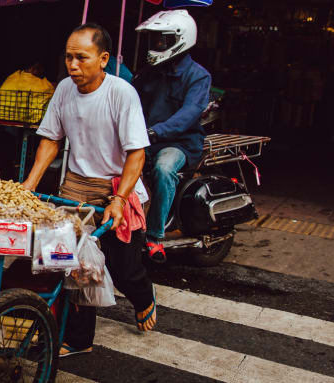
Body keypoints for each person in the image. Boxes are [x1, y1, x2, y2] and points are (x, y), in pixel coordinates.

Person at [21, 23, 156, 357]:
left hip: (117, 188)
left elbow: (136, 153)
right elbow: (51, 140)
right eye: (68, 57)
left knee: (124, 270)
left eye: (81, 57)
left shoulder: (122, 93)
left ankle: (143, 297)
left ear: (104, 59)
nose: (73, 65)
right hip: (75, 188)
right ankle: (79, 340)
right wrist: (29, 185)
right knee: (70, 265)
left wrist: (120, 199)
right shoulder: (64, 89)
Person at [132, 10, 211, 261]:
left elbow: (189, 114)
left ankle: (155, 238)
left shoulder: (198, 76)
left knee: (164, 170)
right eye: (154, 40)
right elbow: (130, 100)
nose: (155, 46)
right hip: (147, 138)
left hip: (180, 143)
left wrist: (157, 131)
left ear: (180, 39)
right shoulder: (148, 73)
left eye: (161, 41)